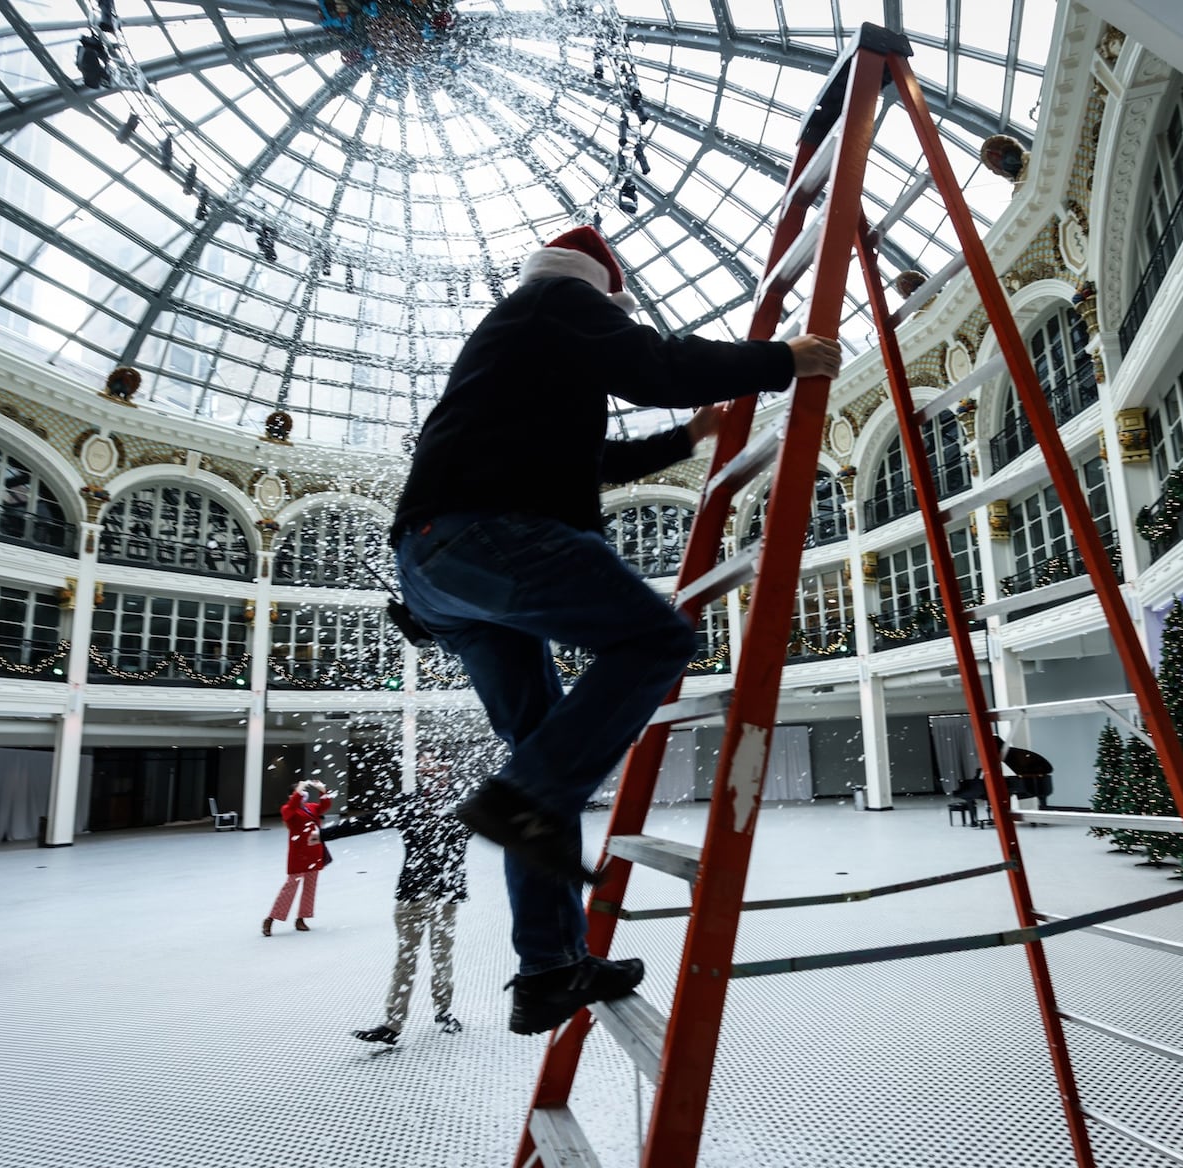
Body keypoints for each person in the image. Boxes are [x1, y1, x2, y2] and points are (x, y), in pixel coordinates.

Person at [391, 225, 843, 1034]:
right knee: (655, 642)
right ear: (602, 286)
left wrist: (689, 440)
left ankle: (549, 969)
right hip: (489, 535)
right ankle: (524, 805)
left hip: (439, 568)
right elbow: (656, 366)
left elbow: (592, 459)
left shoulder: (519, 347)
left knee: (539, 749)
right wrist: (783, 357)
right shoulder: (556, 297)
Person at [351, 750, 472, 1046]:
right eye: (423, 766)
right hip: (411, 896)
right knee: (405, 960)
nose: (428, 771)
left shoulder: (464, 806)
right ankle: (392, 1024)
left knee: (442, 958)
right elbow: (370, 821)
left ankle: (443, 1012)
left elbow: (501, 824)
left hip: (445, 896)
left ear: (447, 769)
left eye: (434, 765)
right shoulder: (409, 804)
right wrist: (323, 834)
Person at [262, 780, 333, 934]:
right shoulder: (288, 809)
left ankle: (302, 918)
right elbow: (290, 810)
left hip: (314, 851)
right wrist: (297, 792)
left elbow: (325, 807)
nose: (303, 796)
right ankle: (271, 918)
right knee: (290, 886)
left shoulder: (311, 808)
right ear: (292, 796)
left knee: (310, 886)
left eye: (304, 793)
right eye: (300, 793)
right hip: (298, 853)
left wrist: (323, 791)